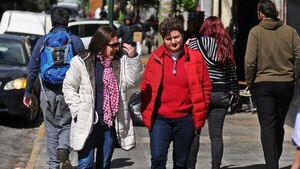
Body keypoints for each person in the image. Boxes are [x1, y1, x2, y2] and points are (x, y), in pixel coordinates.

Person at [62, 26, 142, 169]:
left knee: (104, 164)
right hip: (88, 122)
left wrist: (133, 58)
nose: (116, 48)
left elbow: (133, 82)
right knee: (85, 164)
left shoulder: (120, 62)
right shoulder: (82, 61)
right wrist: (77, 110)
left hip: (109, 124)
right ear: (101, 43)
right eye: (113, 45)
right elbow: (68, 87)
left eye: (118, 44)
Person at [141, 17, 212, 169]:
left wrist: (200, 112)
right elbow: (145, 88)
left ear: (182, 35)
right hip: (160, 120)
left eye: (176, 37)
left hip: (186, 119)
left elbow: (205, 86)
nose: (173, 42)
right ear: (163, 39)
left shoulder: (196, 58)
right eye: (168, 39)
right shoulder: (155, 58)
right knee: (158, 159)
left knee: (182, 163)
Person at [23, 8, 85, 169]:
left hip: (47, 91)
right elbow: (86, 68)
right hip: (69, 91)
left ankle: (53, 165)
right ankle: (63, 148)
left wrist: (28, 92)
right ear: (67, 22)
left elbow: (32, 69)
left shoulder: (42, 41)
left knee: (51, 129)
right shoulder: (75, 41)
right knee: (67, 124)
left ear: (52, 21)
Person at [244, 0, 300, 168]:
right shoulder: (290, 31)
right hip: (286, 84)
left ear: (261, 13)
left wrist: (249, 81)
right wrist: (294, 76)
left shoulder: (256, 32)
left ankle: (271, 164)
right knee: (279, 124)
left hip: (263, 85)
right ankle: (274, 160)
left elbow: (249, 62)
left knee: (267, 126)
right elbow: (299, 57)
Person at [187, 16, 240, 169]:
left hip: (200, 93)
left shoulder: (195, 44)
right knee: (216, 136)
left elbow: (187, 64)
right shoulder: (224, 45)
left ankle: (191, 166)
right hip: (221, 94)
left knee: (195, 132)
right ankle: (215, 167)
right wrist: (235, 94)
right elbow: (232, 73)